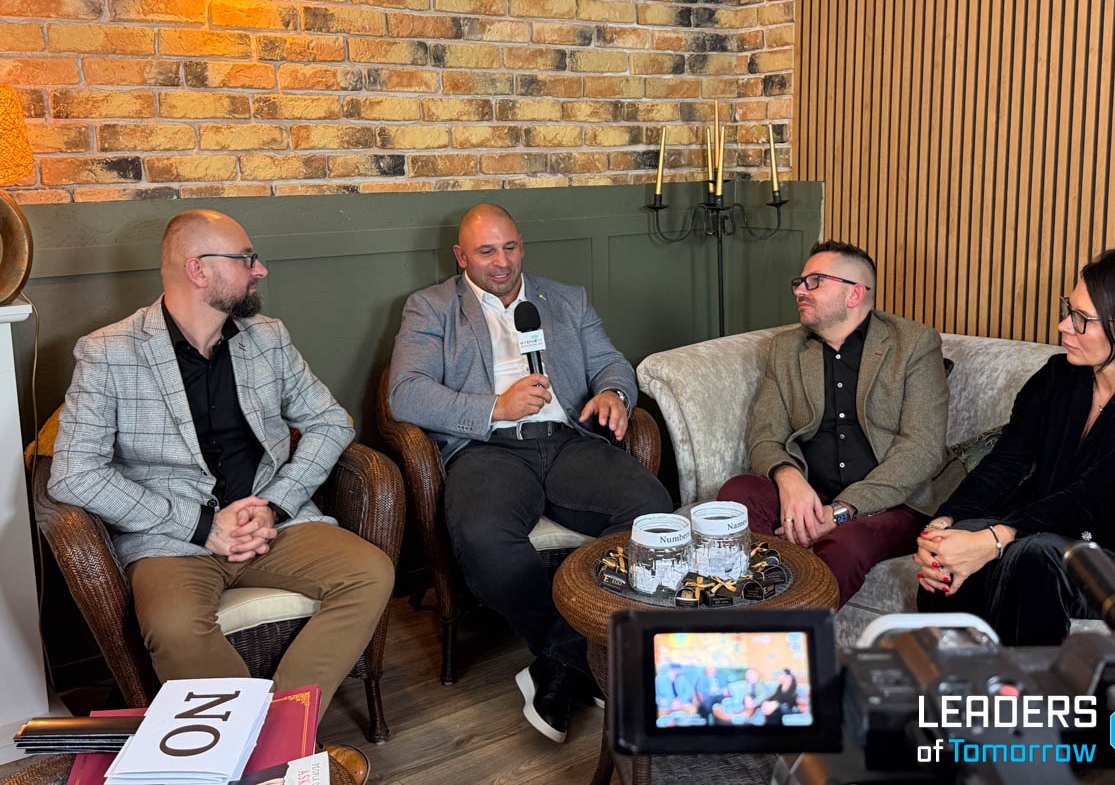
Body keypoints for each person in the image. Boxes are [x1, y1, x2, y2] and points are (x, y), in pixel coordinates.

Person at [48, 210, 393, 785]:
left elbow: (330, 421)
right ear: (198, 270)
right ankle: (269, 756)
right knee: (174, 625)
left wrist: (275, 503)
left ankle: (268, 747)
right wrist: (201, 525)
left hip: (271, 523)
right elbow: (73, 474)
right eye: (246, 258)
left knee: (370, 572)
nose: (260, 270)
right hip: (173, 539)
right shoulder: (108, 352)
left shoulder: (267, 337)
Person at [388, 203, 671, 742]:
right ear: (461, 256)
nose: (502, 262)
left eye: (510, 247)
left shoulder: (566, 299)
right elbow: (405, 393)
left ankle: (562, 663)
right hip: (486, 449)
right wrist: (496, 406)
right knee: (483, 537)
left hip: (568, 441)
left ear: (522, 245)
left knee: (653, 514)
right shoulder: (431, 307)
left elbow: (611, 362)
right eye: (486, 252)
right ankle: (578, 655)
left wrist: (614, 392)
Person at [914, 248, 1115, 645]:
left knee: (1037, 557)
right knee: (950, 552)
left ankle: (1034, 685)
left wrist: (995, 538)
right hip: (1054, 532)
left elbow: (1093, 496)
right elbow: (1006, 462)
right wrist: (943, 524)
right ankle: (955, 679)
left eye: (1082, 319)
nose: (1064, 325)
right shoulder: (1058, 376)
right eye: (1069, 309)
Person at [717, 240, 951, 605]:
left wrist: (842, 511)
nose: (799, 290)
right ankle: (753, 603)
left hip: (889, 503)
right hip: (813, 489)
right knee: (737, 496)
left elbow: (922, 449)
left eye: (814, 282)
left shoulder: (913, 344)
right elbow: (764, 436)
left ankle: (782, 633)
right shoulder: (786, 349)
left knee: (845, 545)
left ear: (854, 293)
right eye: (799, 282)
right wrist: (789, 479)